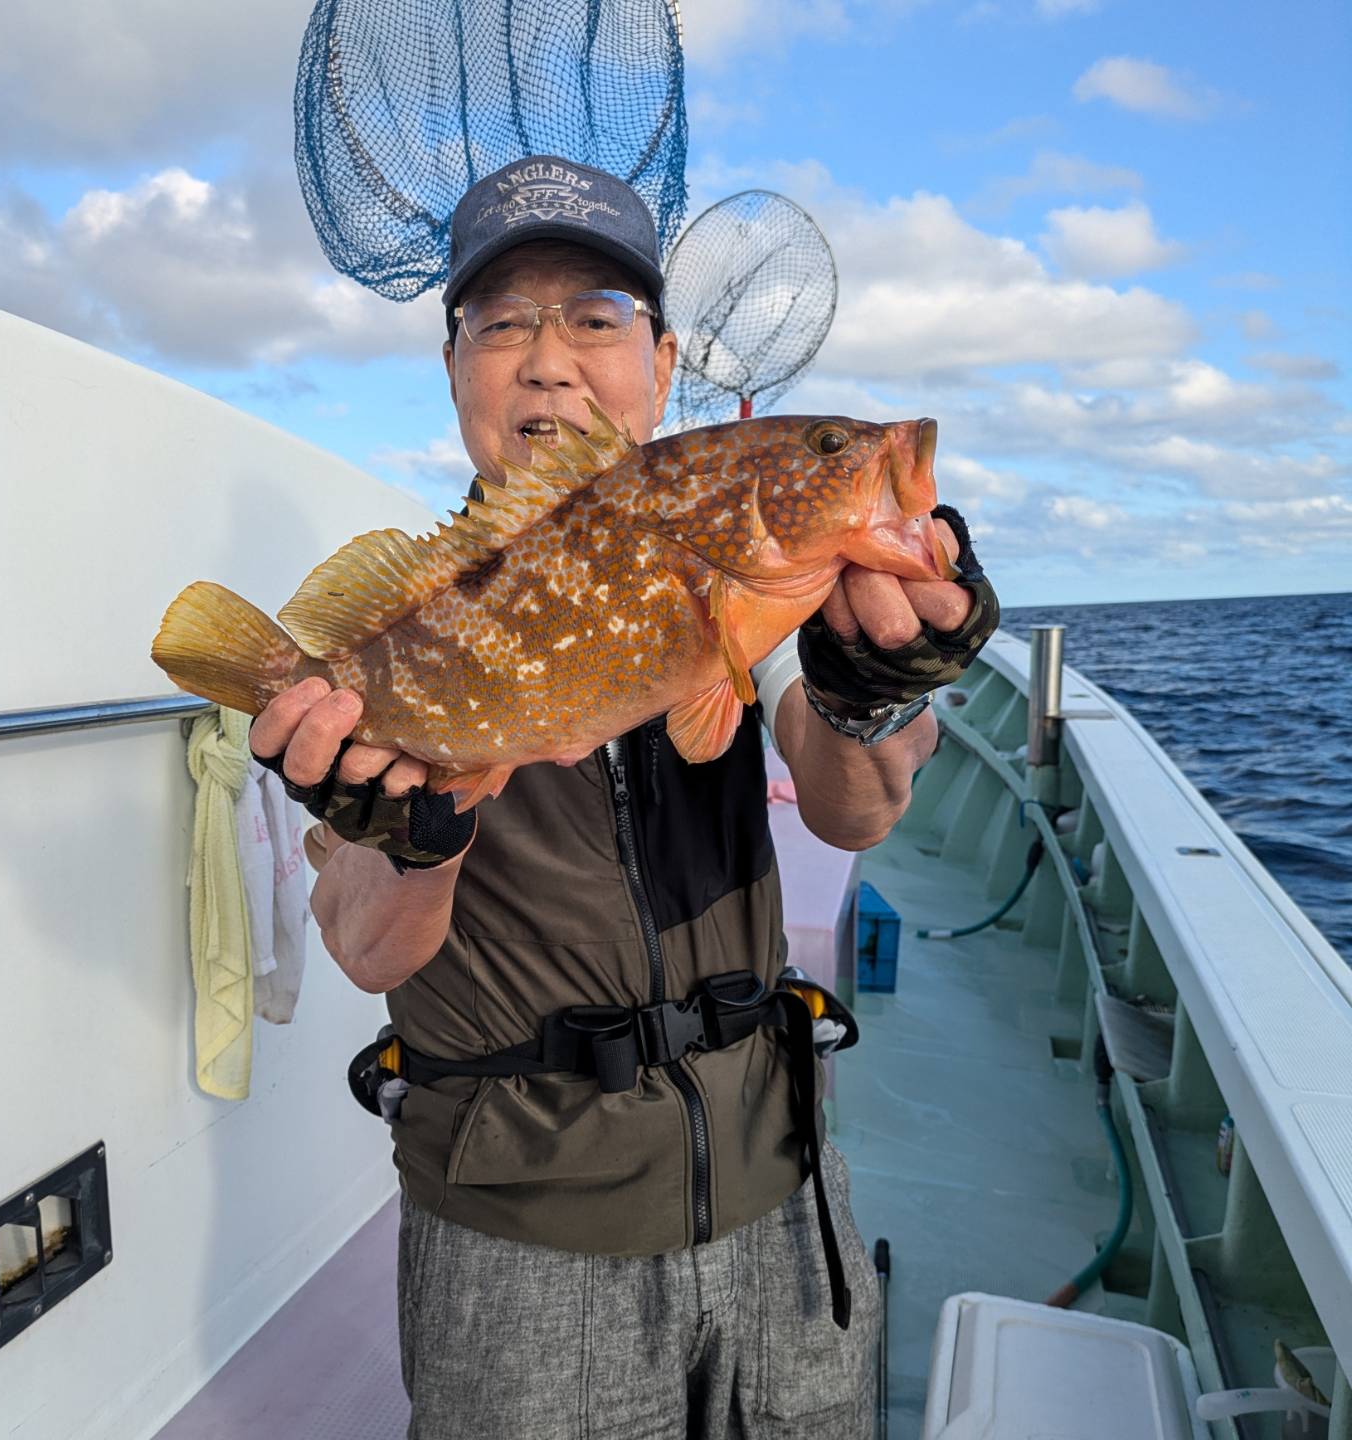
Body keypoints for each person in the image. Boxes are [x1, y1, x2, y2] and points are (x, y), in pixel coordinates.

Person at [249, 155, 999, 1439]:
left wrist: (868, 683)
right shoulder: (403, 643)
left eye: (594, 317)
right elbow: (370, 942)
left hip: (784, 1201)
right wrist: (417, 825)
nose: (550, 361)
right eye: (504, 324)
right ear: (454, 371)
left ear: (658, 362)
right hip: (523, 1259)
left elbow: (854, 811)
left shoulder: (744, 577)